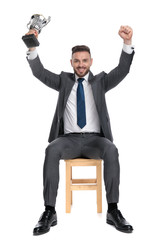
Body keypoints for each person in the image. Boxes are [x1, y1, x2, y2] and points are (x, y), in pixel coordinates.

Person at [25, 25, 135, 235]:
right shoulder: (63, 81)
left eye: (85, 60)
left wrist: (127, 43)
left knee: (111, 149)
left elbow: (122, 70)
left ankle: (113, 210)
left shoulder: (101, 81)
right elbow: (39, 72)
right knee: (51, 150)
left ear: (90, 62)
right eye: (77, 61)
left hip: (95, 141)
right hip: (68, 141)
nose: (81, 64)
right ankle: (49, 211)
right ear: (71, 63)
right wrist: (32, 47)